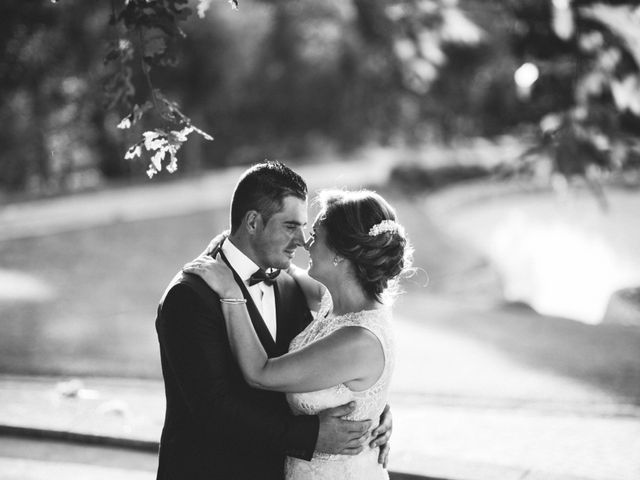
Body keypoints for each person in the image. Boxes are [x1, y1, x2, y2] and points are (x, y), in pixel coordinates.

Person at [155, 161, 392, 480]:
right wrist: (312, 437)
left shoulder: (290, 283)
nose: (303, 240)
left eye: (306, 227)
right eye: (290, 226)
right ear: (253, 222)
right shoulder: (189, 296)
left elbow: (326, 367)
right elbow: (214, 410)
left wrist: (370, 410)